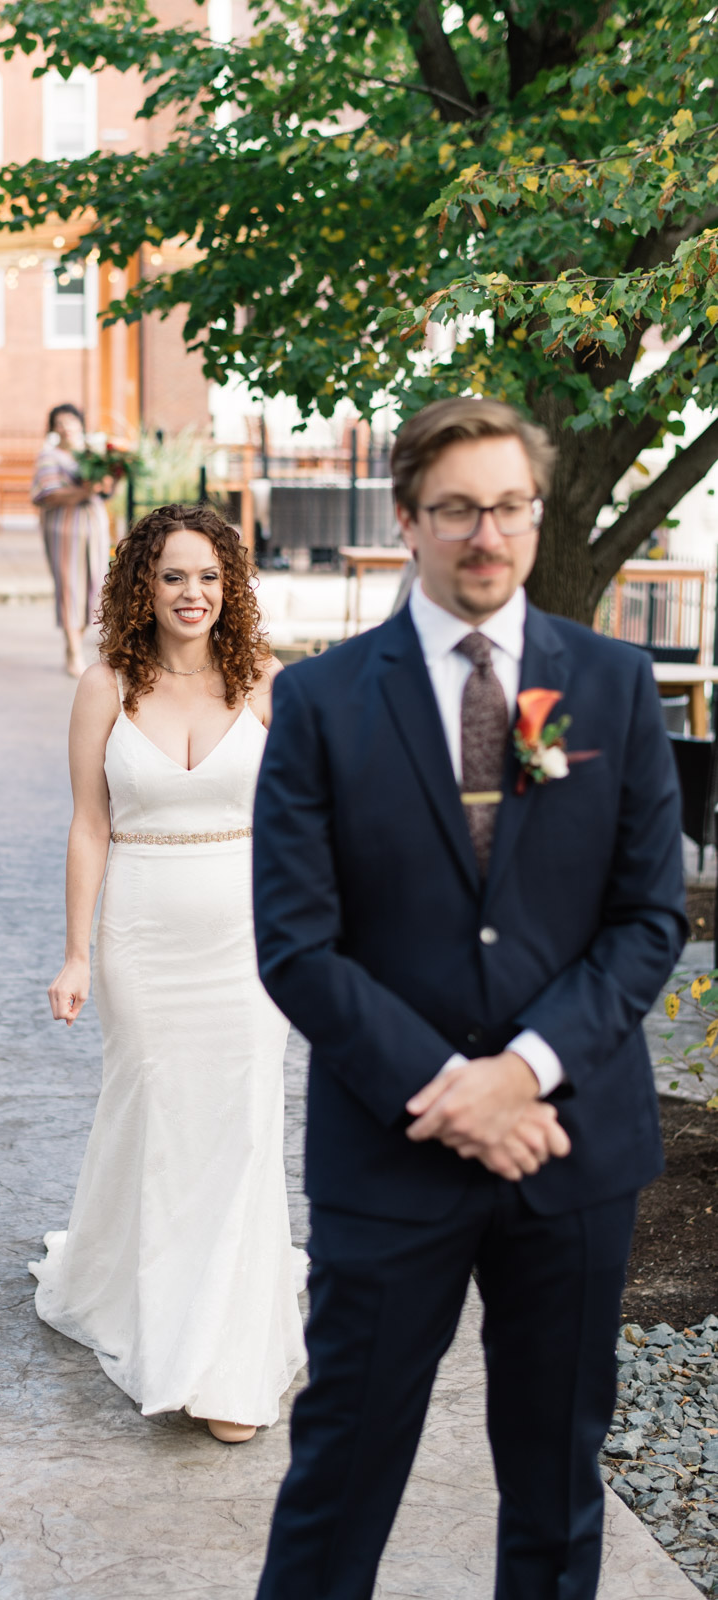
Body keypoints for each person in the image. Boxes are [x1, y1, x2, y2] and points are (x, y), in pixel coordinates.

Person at [251, 396, 685, 1599]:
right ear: (407, 519)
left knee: (554, 1483)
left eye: (505, 507)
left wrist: (522, 1071)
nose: (483, 534)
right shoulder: (322, 701)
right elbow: (295, 946)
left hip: (570, 1147)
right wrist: (454, 1090)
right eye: (455, 509)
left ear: (534, 518)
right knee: (340, 1475)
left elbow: (649, 916)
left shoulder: (605, 684)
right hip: (392, 1156)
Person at [36, 501, 306, 1443]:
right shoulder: (105, 685)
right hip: (142, 940)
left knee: (237, 1130)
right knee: (155, 1117)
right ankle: (144, 1300)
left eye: (208, 576)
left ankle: (225, 1362)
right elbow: (88, 825)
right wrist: (77, 952)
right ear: (140, 587)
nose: (192, 593)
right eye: (172, 576)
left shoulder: (267, 684)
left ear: (229, 587)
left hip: (247, 944)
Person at [31, 403, 112, 678]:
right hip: (64, 528)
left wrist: (107, 483)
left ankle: (76, 639)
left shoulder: (92, 454)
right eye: (60, 422)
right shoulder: (49, 456)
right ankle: (73, 650)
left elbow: (106, 491)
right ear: (54, 427)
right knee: (69, 587)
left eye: (71, 421)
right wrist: (84, 492)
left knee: (94, 585)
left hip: (94, 526)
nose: (66, 427)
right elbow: (48, 494)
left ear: (80, 424)